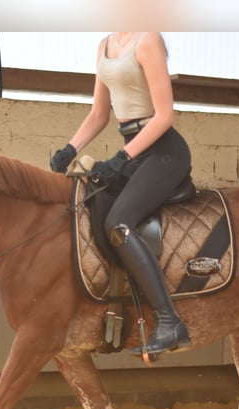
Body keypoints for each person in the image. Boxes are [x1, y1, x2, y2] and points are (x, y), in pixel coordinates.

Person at [50, 32, 192, 358]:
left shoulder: (147, 40)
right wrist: (70, 148)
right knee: (93, 202)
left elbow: (164, 116)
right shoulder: (104, 46)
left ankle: (170, 322)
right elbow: (100, 113)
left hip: (163, 152)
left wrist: (123, 158)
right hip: (134, 149)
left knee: (119, 223)